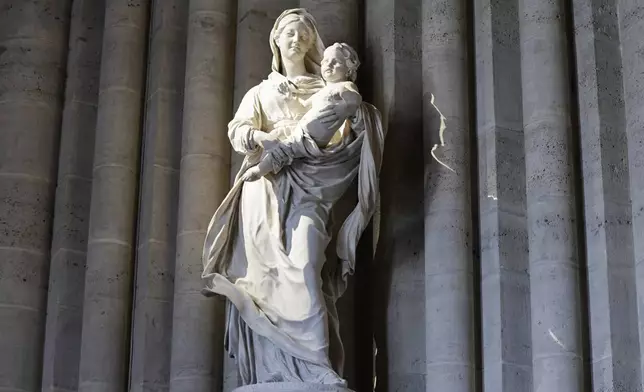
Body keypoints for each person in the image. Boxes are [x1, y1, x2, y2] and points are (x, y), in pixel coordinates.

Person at [201, 8, 385, 387]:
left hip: (309, 184)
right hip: (263, 190)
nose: (297, 40)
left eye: (304, 34)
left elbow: (342, 131)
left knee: (304, 265)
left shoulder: (327, 89)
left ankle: (315, 365)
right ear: (276, 40)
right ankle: (272, 371)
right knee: (262, 278)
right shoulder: (261, 92)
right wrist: (259, 137)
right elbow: (238, 130)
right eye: (289, 33)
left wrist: (355, 125)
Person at [241, 42, 362, 182]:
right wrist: (289, 94)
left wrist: (343, 108)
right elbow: (305, 103)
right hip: (306, 127)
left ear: (348, 70)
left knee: (290, 147)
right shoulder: (324, 90)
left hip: (317, 132)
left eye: (336, 62)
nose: (329, 65)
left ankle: (260, 169)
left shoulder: (345, 87)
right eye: (326, 61)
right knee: (287, 146)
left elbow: (354, 100)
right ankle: (262, 167)